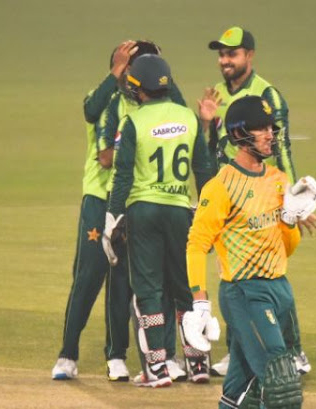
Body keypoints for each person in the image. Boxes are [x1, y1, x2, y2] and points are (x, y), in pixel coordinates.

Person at [182, 95, 316, 408]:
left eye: (270, 127)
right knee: (279, 380)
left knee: (242, 386)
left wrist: (289, 221)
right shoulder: (220, 187)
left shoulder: (278, 180)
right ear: (237, 136)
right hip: (245, 294)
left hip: (280, 290)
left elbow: (285, 251)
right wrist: (200, 302)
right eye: (260, 128)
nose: (269, 133)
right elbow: (196, 244)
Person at [198, 26, 312, 377]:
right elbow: (215, 151)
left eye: (232, 53)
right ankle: (242, 350)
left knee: (268, 273)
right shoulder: (215, 95)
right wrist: (205, 123)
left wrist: (295, 200)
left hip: (267, 196)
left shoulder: (268, 95)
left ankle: (293, 352)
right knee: (235, 275)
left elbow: (283, 149)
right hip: (229, 199)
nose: (225, 60)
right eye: (221, 54)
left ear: (249, 55)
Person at [102, 54, 215, 387]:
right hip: (180, 211)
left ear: (139, 89)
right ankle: (198, 364)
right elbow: (203, 168)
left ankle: (158, 367)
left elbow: (122, 175)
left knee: (149, 290)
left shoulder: (133, 122)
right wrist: (208, 210)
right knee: (185, 288)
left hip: (144, 211)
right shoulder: (189, 118)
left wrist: (112, 217)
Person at [51, 41, 139, 382]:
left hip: (130, 199)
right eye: (133, 65)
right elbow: (91, 113)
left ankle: (116, 356)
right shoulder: (104, 97)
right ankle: (67, 355)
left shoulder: (144, 102)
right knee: (88, 276)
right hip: (99, 198)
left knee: (122, 281)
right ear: (121, 67)